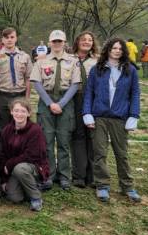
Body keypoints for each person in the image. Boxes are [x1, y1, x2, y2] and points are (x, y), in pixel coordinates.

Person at [83, 38, 142, 203]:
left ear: (124, 51)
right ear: (108, 50)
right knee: (99, 153)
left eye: (120, 48)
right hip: (99, 116)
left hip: (120, 117)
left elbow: (135, 94)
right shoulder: (97, 70)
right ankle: (102, 185)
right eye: (113, 48)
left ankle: (127, 186)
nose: (117, 51)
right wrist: (87, 113)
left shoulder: (130, 70)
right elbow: (89, 93)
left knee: (121, 154)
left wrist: (134, 115)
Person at [30, 30, 80, 191]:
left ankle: (64, 176)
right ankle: (49, 175)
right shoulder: (41, 62)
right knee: (47, 141)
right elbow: (37, 83)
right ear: (50, 43)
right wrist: (50, 103)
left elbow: (75, 84)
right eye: (54, 41)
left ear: (65, 42)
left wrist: (62, 104)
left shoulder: (73, 62)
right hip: (47, 102)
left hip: (65, 102)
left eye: (60, 41)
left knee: (64, 141)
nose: (57, 44)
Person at [0, 99, 49, 211]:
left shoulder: (35, 130)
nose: (19, 114)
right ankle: (32, 186)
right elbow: (2, 155)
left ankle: (36, 198)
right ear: (11, 112)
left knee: (20, 168)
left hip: (34, 166)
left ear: (28, 113)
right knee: (14, 197)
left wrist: (10, 165)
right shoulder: (7, 130)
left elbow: (32, 155)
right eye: (16, 110)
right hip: (14, 170)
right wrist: (4, 179)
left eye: (23, 111)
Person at [0, 27, 33, 151]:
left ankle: (20, 153)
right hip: (2, 95)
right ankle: (2, 156)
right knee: (2, 128)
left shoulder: (24, 57)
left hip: (19, 94)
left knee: (20, 125)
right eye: (6, 38)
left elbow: (28, 78)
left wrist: (27, 97)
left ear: (16, 38)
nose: (9, 40)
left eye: (12, 37)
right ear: (2, 40)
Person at [71, 31, 98, 188]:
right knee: (78, 136)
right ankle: (79, 175)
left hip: (93, 100)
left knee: (93, 137)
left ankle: (93, 175)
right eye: (83, 39)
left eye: (90, 40)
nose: (86, 42)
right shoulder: (69, 59)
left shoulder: (97, 61)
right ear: (78, 42)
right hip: (75, 98)